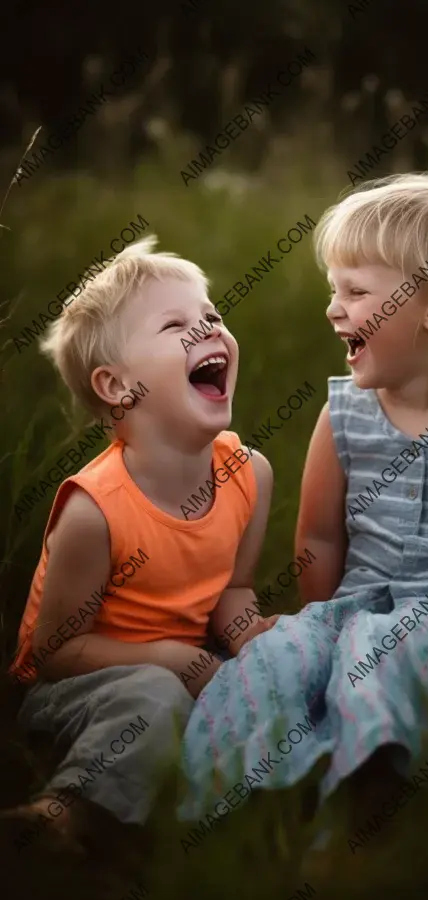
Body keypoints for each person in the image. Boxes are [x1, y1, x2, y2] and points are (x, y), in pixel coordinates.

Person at [179, 172, 428, 835]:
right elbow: (320, 537)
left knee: (387, 648)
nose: (334, 310)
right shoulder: (344, 413)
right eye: (333, 291)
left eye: (355, 292)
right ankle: (245, 788)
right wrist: (318, 626)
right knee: (274, 658)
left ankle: (366, 793)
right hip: (355, 602)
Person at [1, 236, 276, 860]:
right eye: (177, 324)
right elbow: (53, 652)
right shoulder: (94, 511)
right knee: (152, 701)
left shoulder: (248, 474)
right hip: (77, 687)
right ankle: (62, 815)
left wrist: (253, 637)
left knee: (270, 682)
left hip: (182, 667)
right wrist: (172, 662)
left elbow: (231, 593)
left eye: (211, 316)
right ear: (119, 386)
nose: (207, 328)